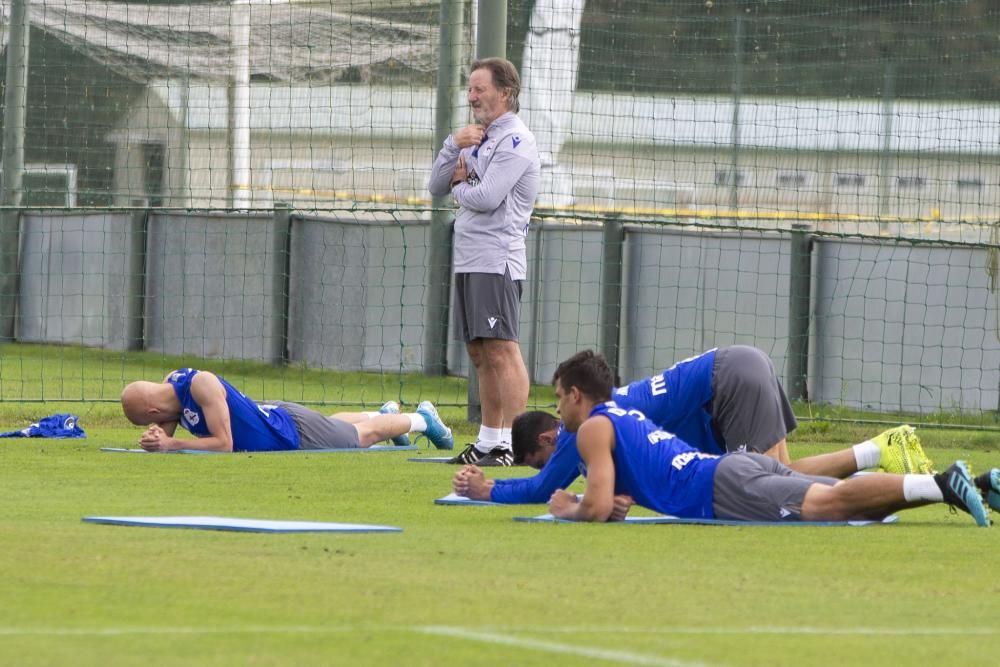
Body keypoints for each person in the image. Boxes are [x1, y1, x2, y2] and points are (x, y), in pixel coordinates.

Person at [545, 350, 996, 526]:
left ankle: (940, 484)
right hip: (729, 469)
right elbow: (615, 501)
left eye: (559, 398)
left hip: (721, 486)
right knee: (842, 498)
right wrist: (613, 503)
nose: (558, 407)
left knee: (828, 506)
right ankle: (970, 484)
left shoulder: (592, 429)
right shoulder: (623, 415)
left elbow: (598, 507)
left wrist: (569, 507)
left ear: (577, 395)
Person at [452, 346, 932, 503]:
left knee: (774, 489)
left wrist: (488, 488)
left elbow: (543, 485)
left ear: (547, 437)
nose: (560, 463)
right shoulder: (617, 409)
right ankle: (879, 450)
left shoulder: (587, 426)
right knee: (782, 472)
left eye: (544, 454)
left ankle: (886, 484)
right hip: (737, 366)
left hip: (727, 381)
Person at [428, 57, 541, 467]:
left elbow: (487, 197)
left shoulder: (516, 140)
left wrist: (461, 186)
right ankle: (489, 441)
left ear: (505, 93)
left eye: (480, 88)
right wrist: (452, 146)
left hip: (498, 259)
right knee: (478, 352)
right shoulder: (477, 137)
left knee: (502, 350)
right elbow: (434, 185)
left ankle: (515, 443)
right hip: (470, 256)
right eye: (470, 89)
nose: (472, 96)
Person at [120, 368, 454, 452]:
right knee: (333, 425)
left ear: (152, 410)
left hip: (288, 433)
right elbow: (162, 435)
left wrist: (172, 444)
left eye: (147, 423)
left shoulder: (200, 385)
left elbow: (225, 445)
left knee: (361, 437)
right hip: (281, 417)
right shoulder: (170, 390)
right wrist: (157, 440)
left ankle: (422, 419)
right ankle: (382, 411)